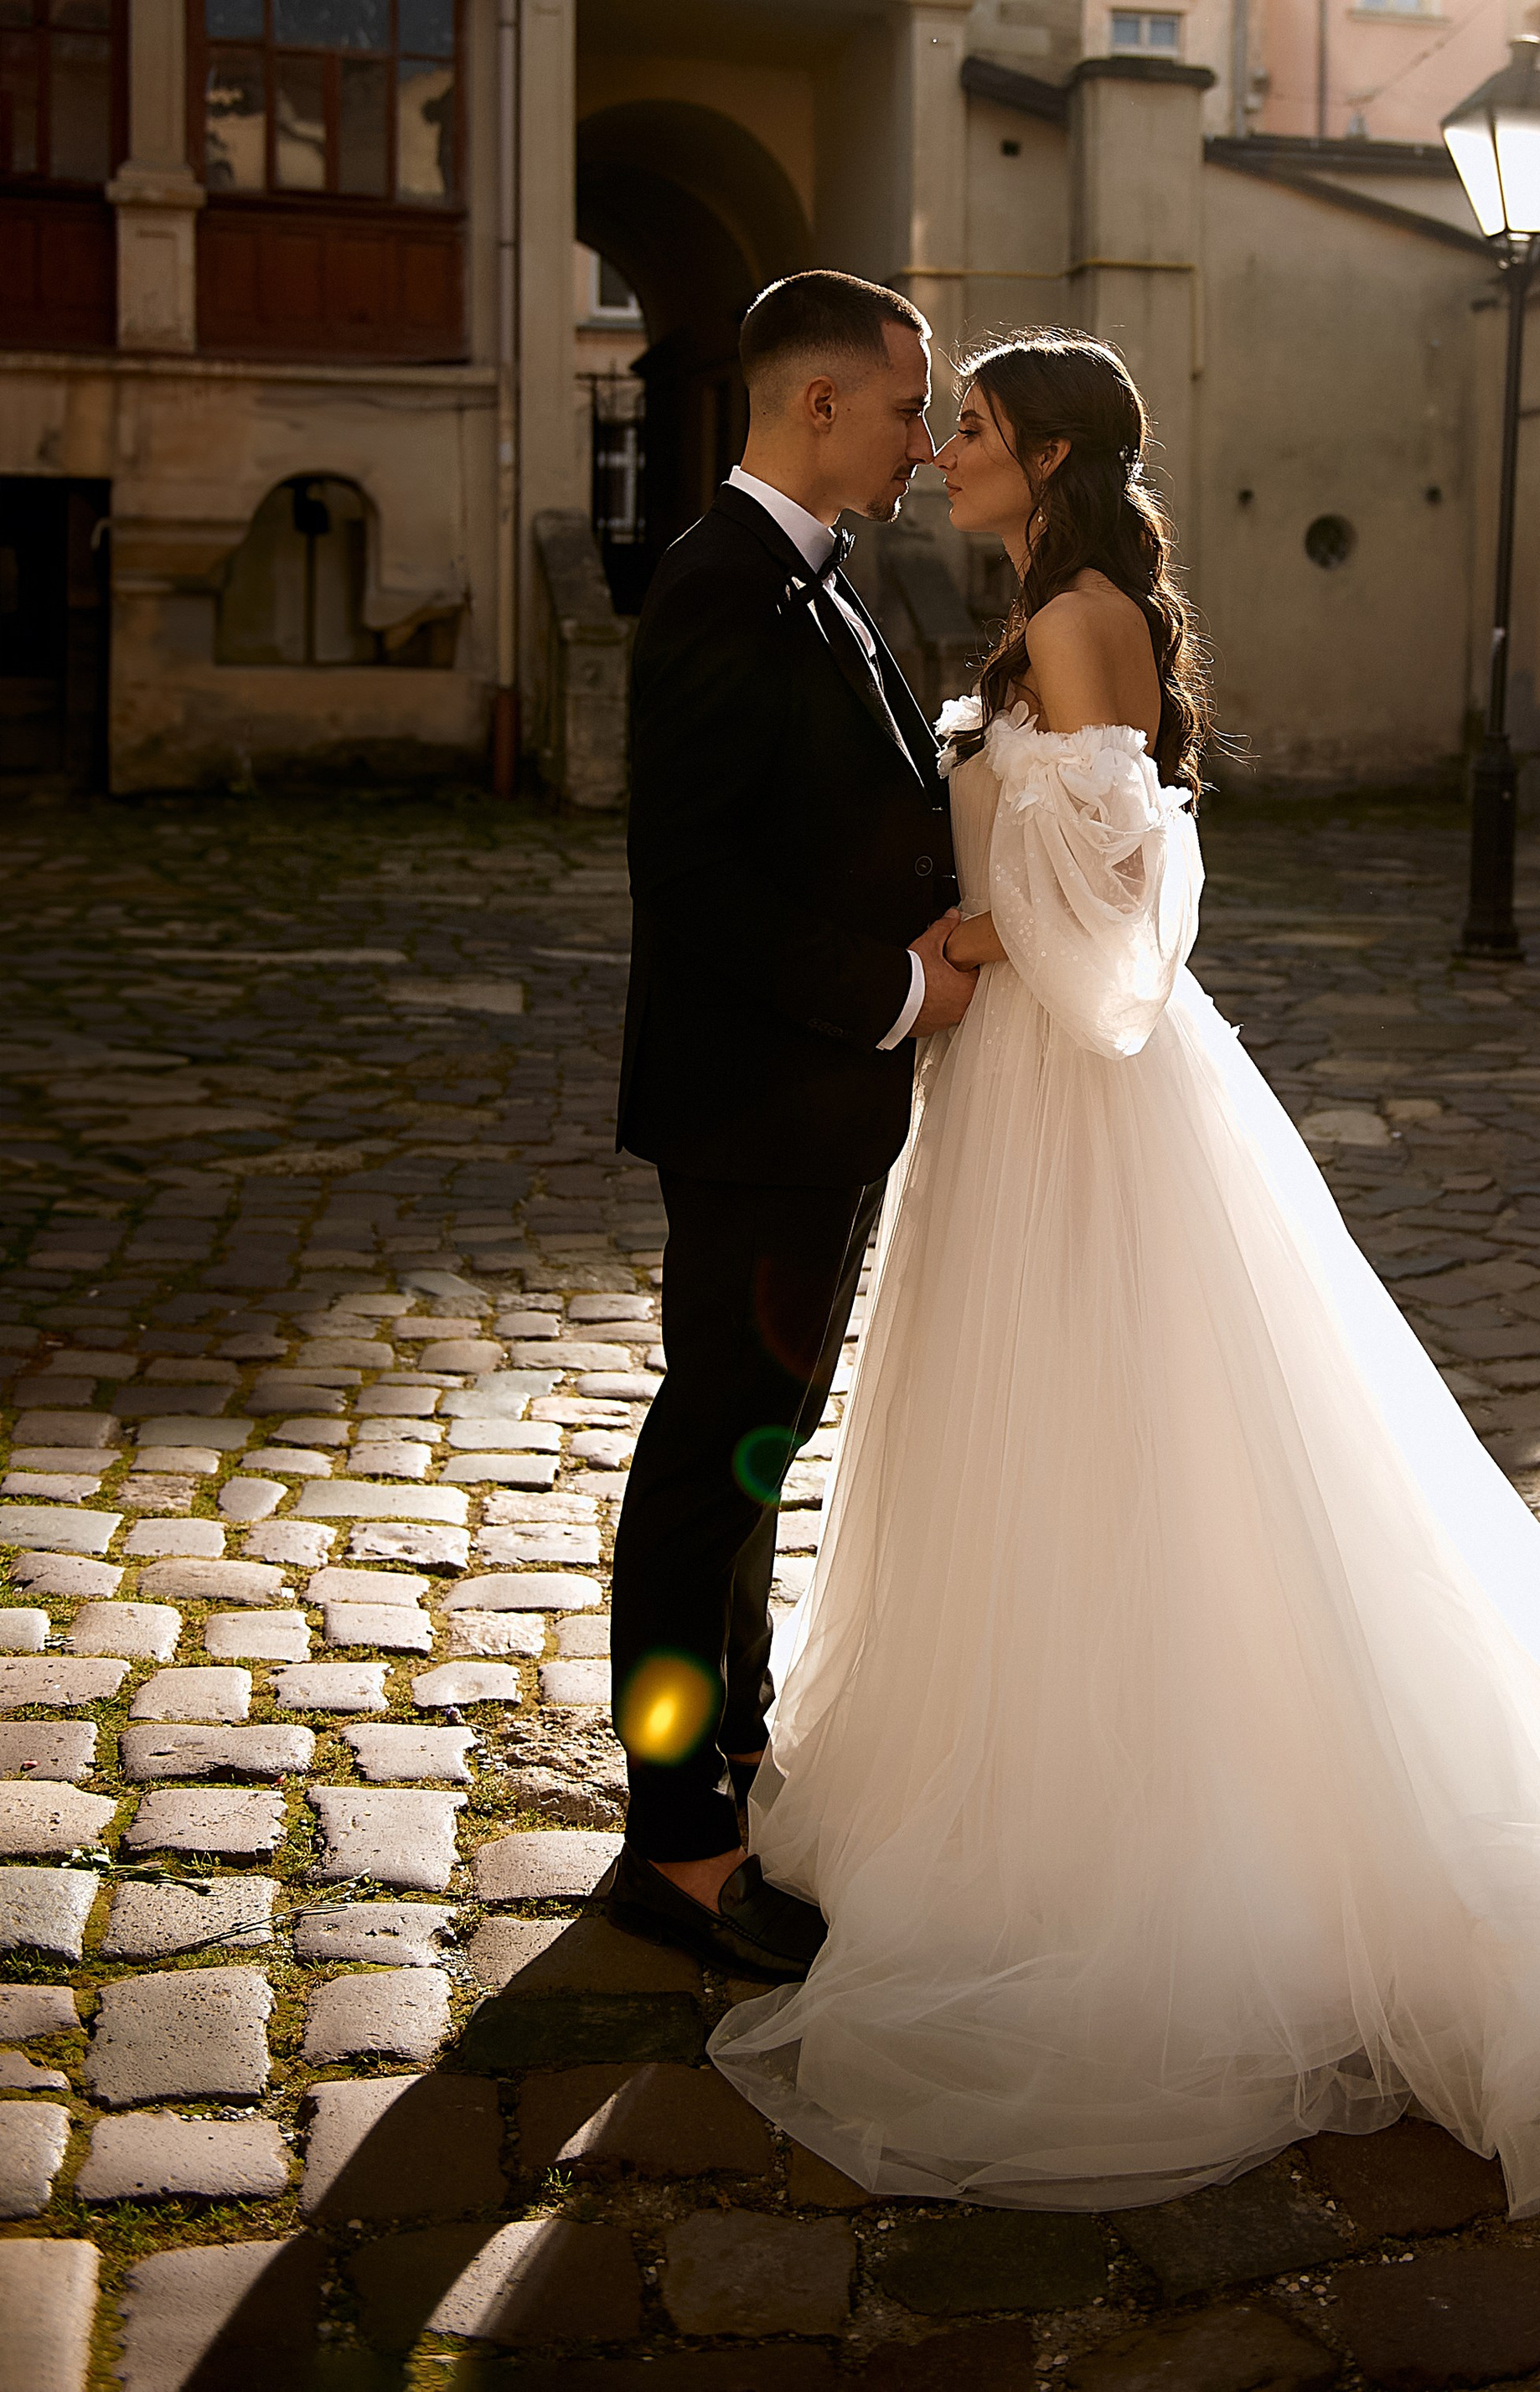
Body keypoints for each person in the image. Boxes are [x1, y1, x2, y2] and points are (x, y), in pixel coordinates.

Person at [710, 325, 1540, 2213]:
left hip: (1077, 1093)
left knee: (1125, 1433)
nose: (944, 448)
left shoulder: (1078, 621)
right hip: (1014, 1097)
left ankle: (1126, 1825)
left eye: (966, 425)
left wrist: (970, 929)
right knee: (1045, 1439)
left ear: (1046, 453)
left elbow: (1122, 916)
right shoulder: (1044, 611)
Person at [601, 271, 977, 1979]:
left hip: (811, 1118)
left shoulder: (817, 579)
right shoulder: (716, 586)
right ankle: (674, 1847)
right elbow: (695, 890)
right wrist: (896, 991)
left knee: (757, 1445)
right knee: (710, 1458)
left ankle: (731, 1761)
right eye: (908, 405)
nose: (925, 436)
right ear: (816, 404)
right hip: (756, 1110)